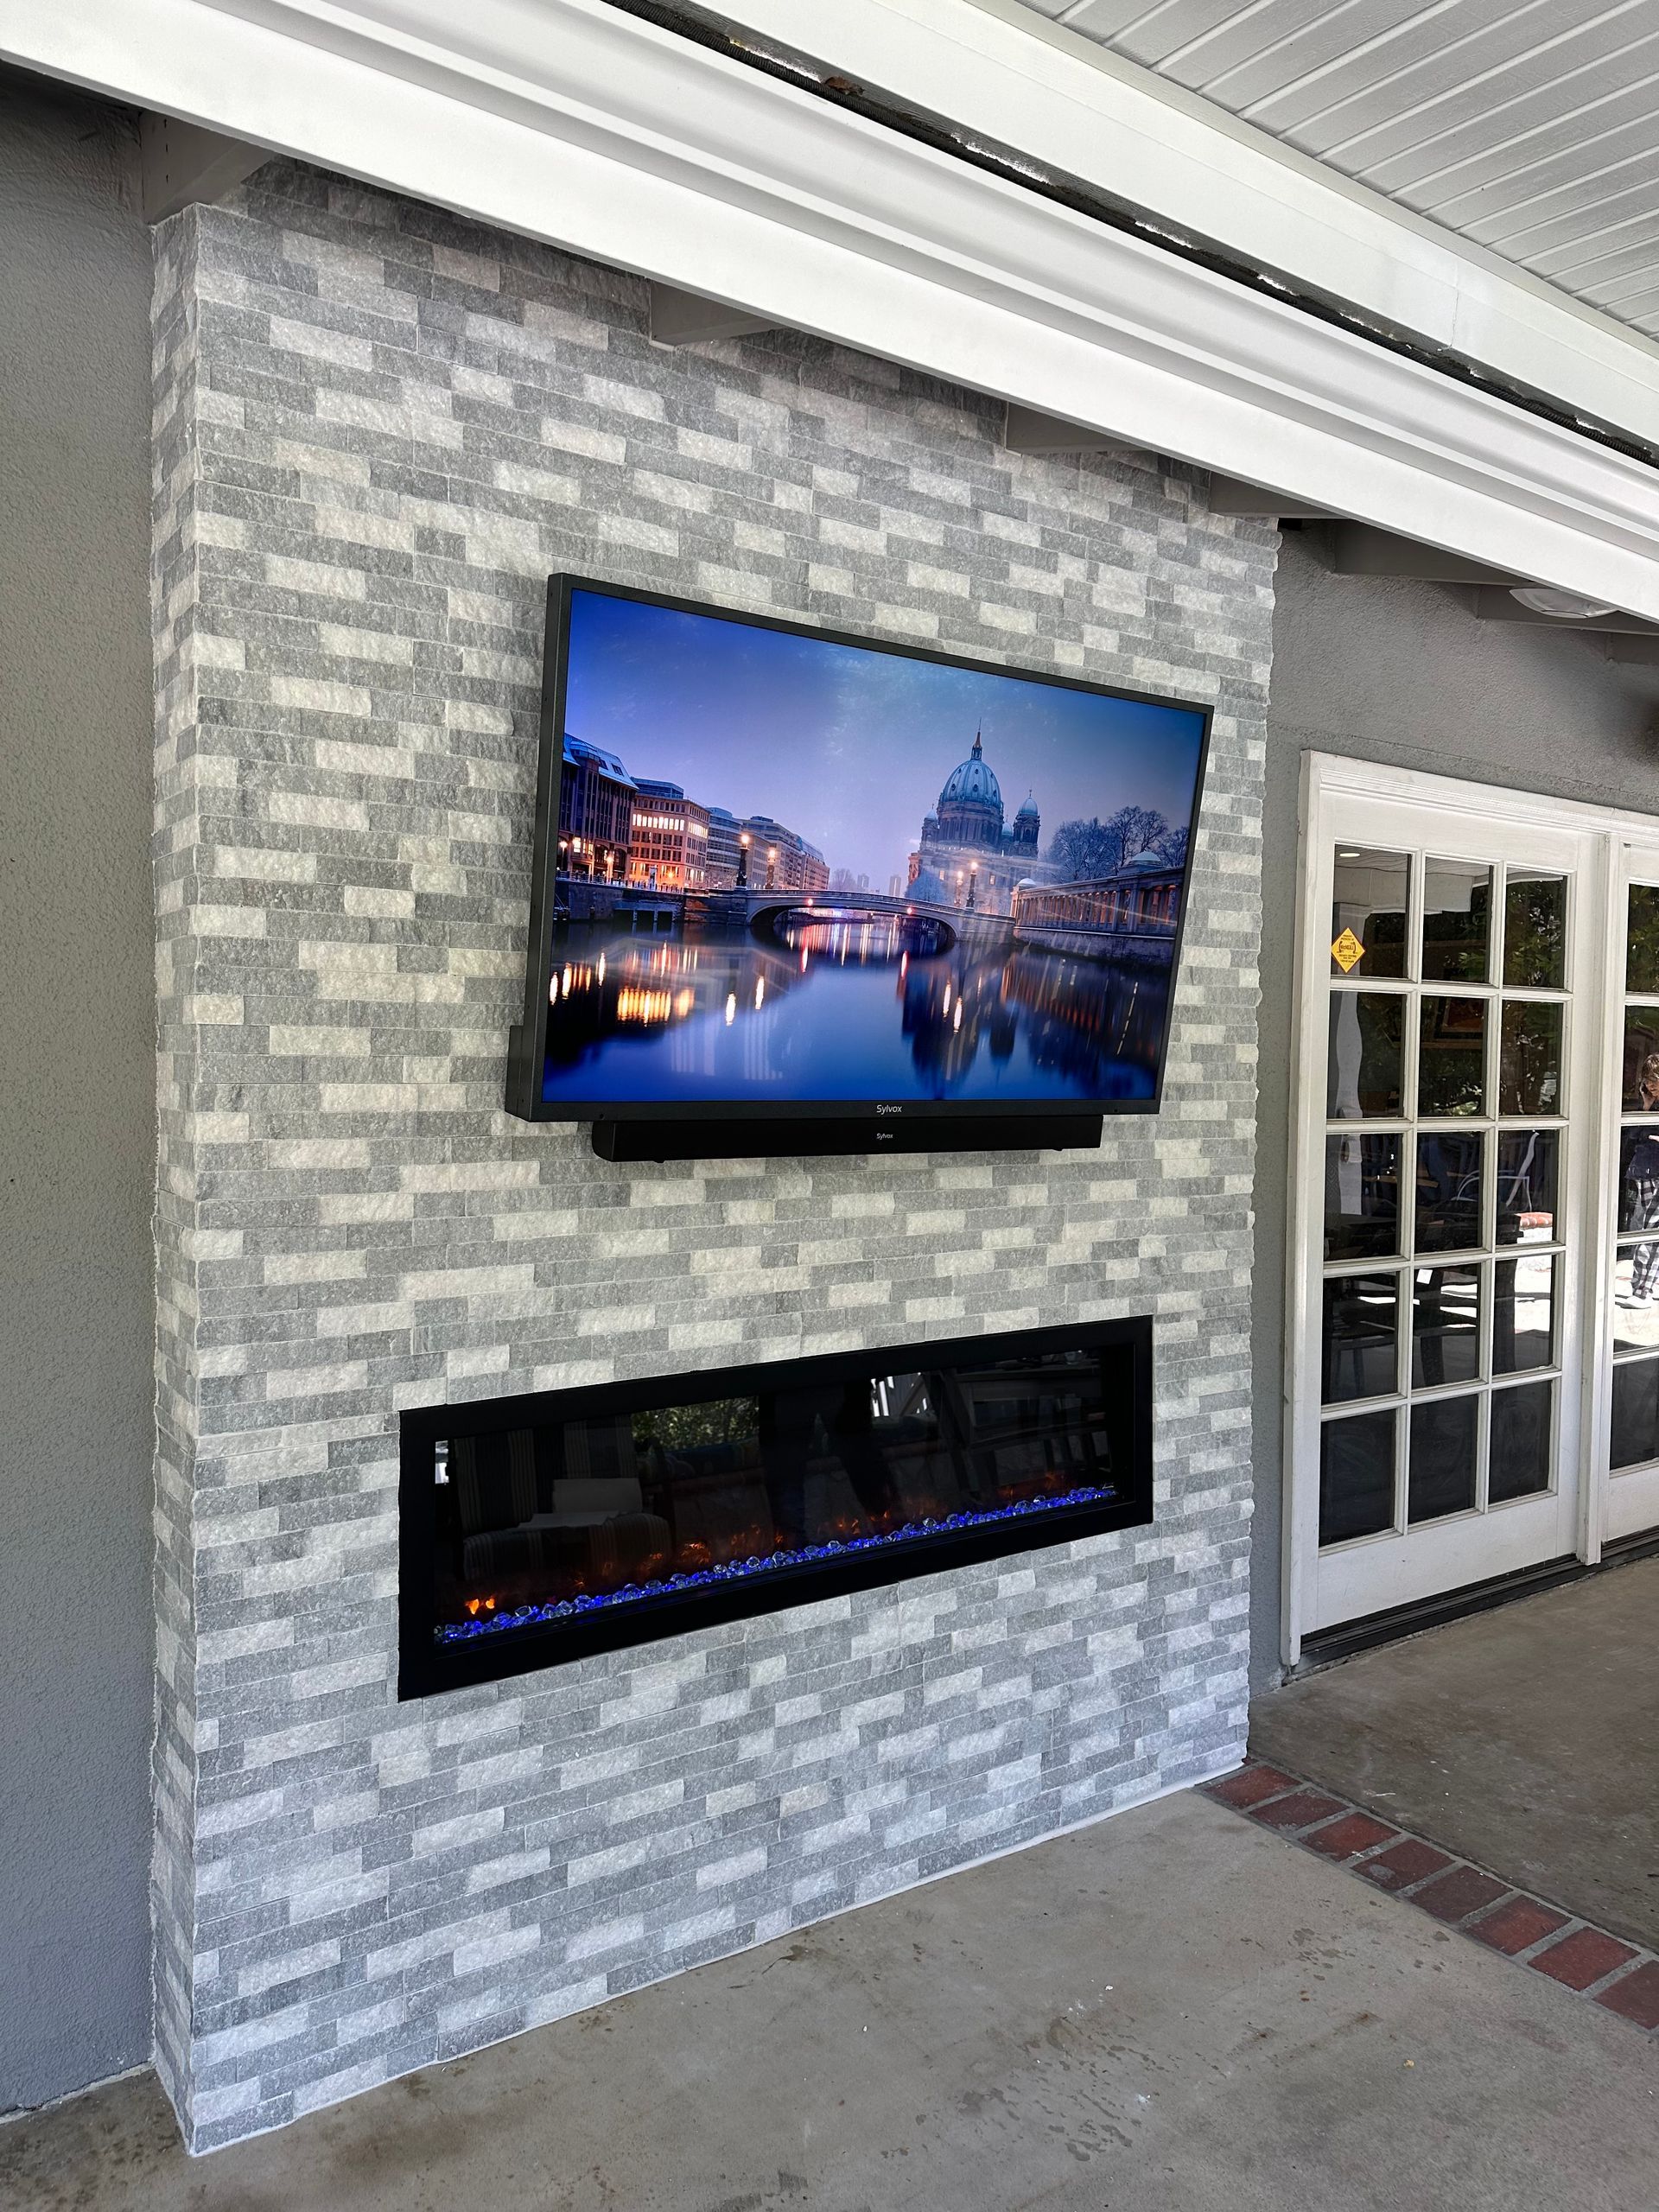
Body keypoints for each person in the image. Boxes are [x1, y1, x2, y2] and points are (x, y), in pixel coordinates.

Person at [1620, 1053, 1659, 1306]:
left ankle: (1643, 1290)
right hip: (1645, 1171)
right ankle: (1646, 1287)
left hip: (1653, 1170)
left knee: (1650, 1229)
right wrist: (1646, 1107)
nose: (1650, 1085)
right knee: (1645, 1227)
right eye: (1647, 1080)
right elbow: (1633, 1136)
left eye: (1654, 1079)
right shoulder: (1651, 1105)